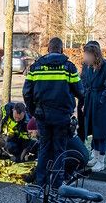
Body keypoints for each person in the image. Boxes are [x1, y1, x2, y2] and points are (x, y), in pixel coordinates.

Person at [23, 37, 83, 187]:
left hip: (42, 115)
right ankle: (57, 185)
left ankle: (40, 183)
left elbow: (27, 93)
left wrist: (33, 111)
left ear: (48, 49)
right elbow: (80, 91)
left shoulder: (36, 67)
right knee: (59, 150)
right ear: (61, 49)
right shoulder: (69, 68)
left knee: (44, 149)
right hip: (62, 117)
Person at [79, 40, 106, 172]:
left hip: (102, 105)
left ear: (94, 55)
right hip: (90, 101)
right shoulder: (88, 68)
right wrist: (84, 103)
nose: (85, 58)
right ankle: (95, 157)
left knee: (101, 132)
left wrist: (101, 100)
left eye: (87, 55)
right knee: (94, 131)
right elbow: (85, 84)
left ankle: (101, 160)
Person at [22, 117, 89, 183]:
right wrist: (28, 148)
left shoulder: (48, 135)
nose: (31, 136)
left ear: (37, 129)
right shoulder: (53, 130)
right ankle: (69, 174)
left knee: (53, 160)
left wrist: (31, 177)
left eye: (31, 133)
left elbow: (44, 158)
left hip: (78, 158)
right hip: (83, 155)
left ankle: (66, 177)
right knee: (56, 156)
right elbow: (39, 145)